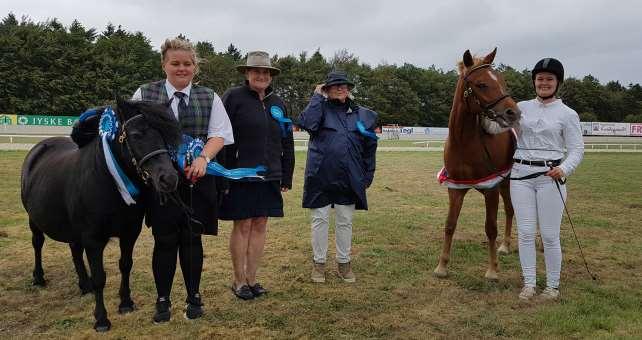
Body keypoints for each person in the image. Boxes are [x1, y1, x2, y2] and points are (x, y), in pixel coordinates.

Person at [132, 37, 234, 322]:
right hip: (160, 184)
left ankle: (194, 298)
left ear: (195, 67)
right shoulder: (144, 94)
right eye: (175, 63)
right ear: (164, 64)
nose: (181, 68)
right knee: (163, 240)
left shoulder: (209, 96)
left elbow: (219, 135)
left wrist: (203, 159)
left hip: (197, 180)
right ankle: (162, 300)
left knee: (192, 241)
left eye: (187, 64)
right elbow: (134, 134)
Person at [219, 51, 295, 300]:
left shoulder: (278, 103)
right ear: (247, 73)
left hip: (270, 174)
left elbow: (287, 140)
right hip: (240, 174)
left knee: (261, 223)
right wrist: (226, 174)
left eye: (266, 72)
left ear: (271, 76)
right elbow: (221, 136)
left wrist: (286, 174)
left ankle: (252, 279)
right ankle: (239, 281)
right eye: (256, 71)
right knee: (243, 224)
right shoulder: (233, 97)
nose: (261, 76)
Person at [510, 58, 584, 302]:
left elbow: (576, 150)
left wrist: (563, 169)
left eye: (549, 79)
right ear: (534, 81)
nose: (544, 83)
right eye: (540, 79)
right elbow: (501, 129)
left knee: (550, 235)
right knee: (526, 232)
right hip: (520, 176)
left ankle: (552, 286)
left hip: (549, 178)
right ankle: (529, 283)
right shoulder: (520, 107)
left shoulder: (568, 114)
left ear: (557, 83)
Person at [298, 70, 378, 283]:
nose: (341, 88)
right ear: (327, 89)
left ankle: (344, 262)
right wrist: (317, 97)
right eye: (335, 85)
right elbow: (306, 123)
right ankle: (319, 263)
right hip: (320, 175)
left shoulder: (362, 114)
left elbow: (370, 146)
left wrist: (367, 174)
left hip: (349, 176)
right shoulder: (319, 109)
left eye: (345, 85)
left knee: (345, 221)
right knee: (320, 219)